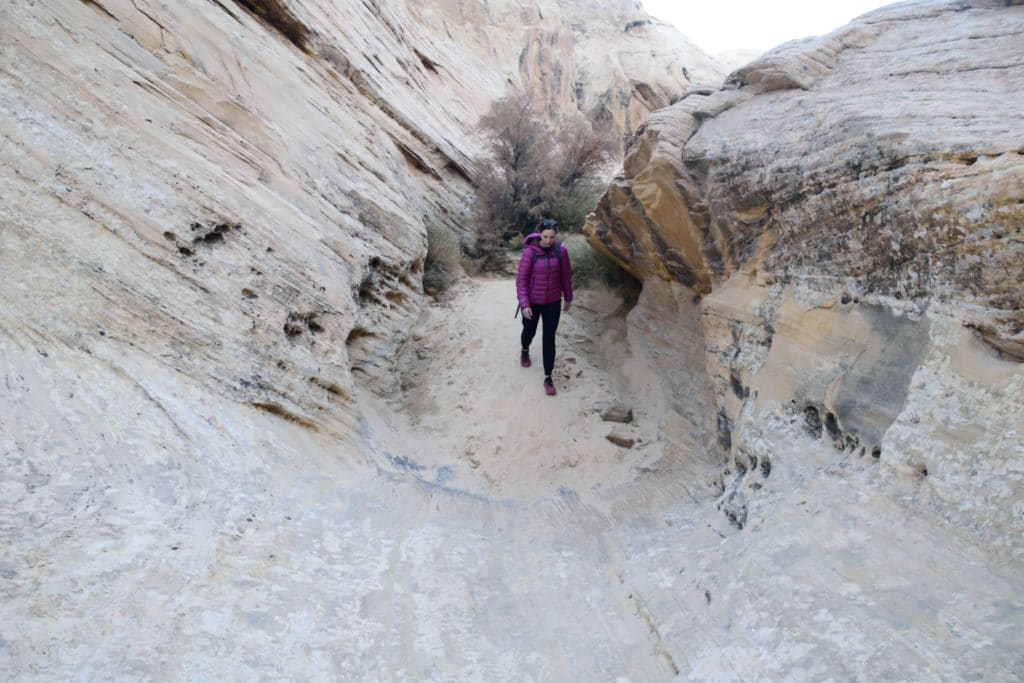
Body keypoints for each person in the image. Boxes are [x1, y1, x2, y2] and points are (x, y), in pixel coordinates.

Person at [516, 218, 573, 395]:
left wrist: (568, 298)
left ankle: (548, 377)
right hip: (532, 302)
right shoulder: (529, 253)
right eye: (546, 236)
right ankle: (525, 350)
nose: (549, 240)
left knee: (549, 338)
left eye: (552, 237)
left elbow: (565, 277)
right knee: (529, 332)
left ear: (556, 236)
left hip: (553, 302)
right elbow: (521, 281)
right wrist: (524, 304)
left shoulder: (561, 252)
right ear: (540, 234)